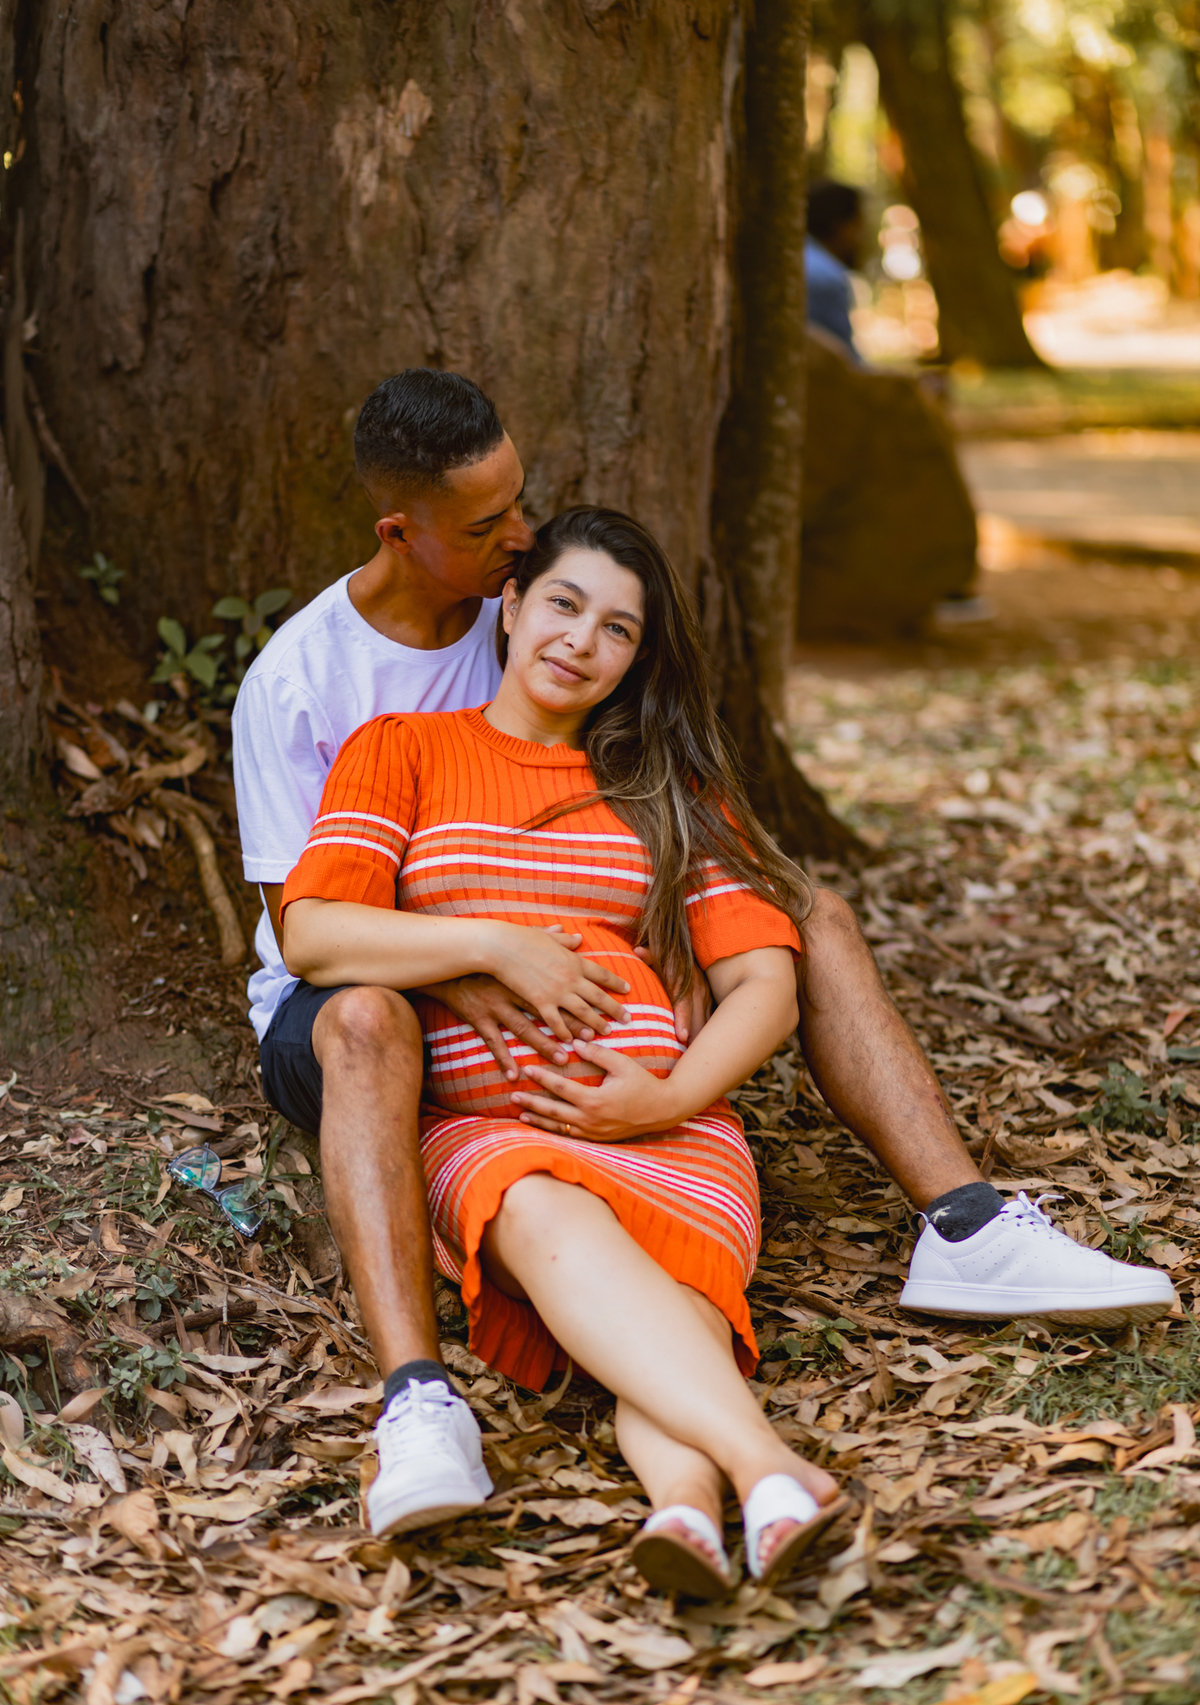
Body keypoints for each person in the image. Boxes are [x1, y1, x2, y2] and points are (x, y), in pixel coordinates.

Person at [232, 369, 1175, 1541]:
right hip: (365, 1013)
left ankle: (963, 1231)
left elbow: (734, 942)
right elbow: (312, 934)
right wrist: (501, 953)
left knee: (810, 918)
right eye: (491, 532)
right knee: (376, 1022)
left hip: (637, 1097)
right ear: (405, 536)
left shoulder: (599, 708)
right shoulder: (322, 693)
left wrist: (666, 1065)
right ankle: (427, 1406)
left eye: (521, 507)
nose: (519, 536)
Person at [281, 507, 849, 1593]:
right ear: (508, 606)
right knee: (543, 1214)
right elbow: (314, 933)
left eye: (617, 629)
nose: (582, 641)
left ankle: (690, 1514)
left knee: (667, 1334)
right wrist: (496, 944)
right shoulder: (404, 748)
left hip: (674, 1133)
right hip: (493, 1134)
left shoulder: (662, 787)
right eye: (563, 604)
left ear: (636, 658)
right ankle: (774, 1471)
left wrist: (666, 1099)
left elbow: (765, 988)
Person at [805, 180, 866, 359]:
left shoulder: (796, 256)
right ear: (840, 226)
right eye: (858, 226)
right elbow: (845, 361)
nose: (861, 239)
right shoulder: (827, 278)